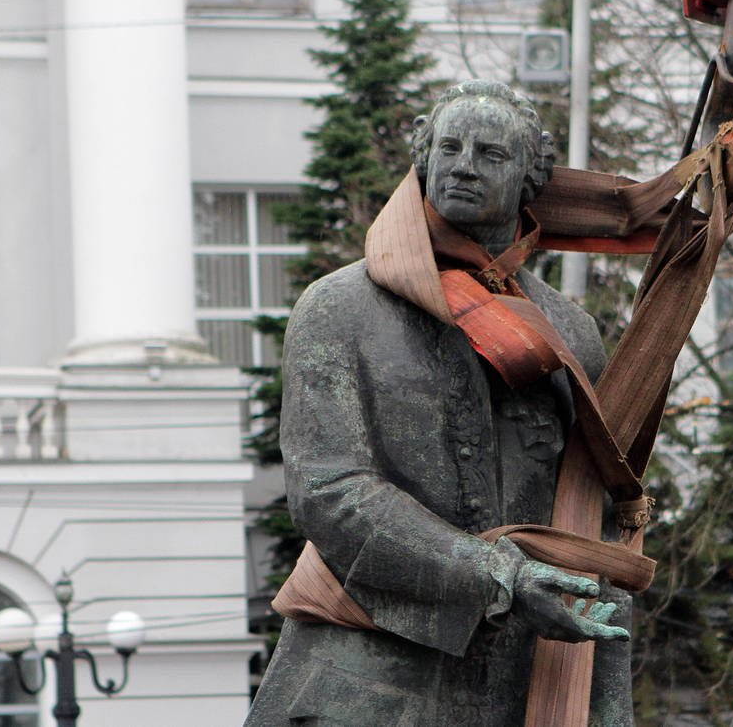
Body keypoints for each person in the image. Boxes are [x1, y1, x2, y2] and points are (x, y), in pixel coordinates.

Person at [244, 80, 637, 726]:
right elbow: (331, 491)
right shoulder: (340, 308)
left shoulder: (568, 332)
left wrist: (608, 705)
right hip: (368, 681)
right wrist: (497, 575)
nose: (462, 165)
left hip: (515, 691)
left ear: (530, 175)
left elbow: (590, 530)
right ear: (423, 160)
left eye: (490, 153)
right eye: (448, 147)